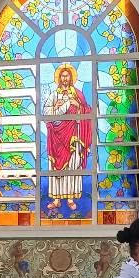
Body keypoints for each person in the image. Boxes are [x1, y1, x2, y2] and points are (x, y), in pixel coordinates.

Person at [44, 64, 91, 210]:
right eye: (63, 76)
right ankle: (56, 199)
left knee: (73, 164)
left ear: (71, 78)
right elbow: (45, 113)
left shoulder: (77, 94)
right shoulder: (53, 95)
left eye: (67, 76)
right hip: (56, 136)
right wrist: (55, 107)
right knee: (55, 168)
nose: (65, 78)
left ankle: (70, 198)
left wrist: (78, 105)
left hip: (73, 135)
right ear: (59, 78)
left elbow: (88, 112)